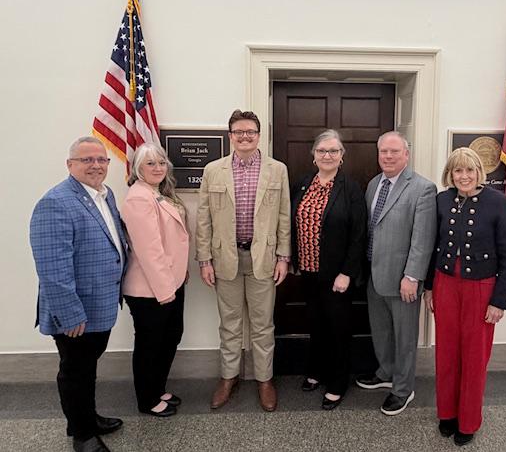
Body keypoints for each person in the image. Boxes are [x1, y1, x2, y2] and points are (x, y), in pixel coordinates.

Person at [29, 136, 126, 452]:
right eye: (87, 160)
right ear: (70, 164)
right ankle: (83, 435)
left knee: (87, 368)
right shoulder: (55, 203)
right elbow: (52, 269)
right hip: (76, 312)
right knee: (75, 372)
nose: (96, 165)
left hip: (100, 303)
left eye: (101, 159)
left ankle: (88, 418)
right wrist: (69, 314)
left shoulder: (104, 195)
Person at [196, 109, 291, 412]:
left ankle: (264, 380)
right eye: (239, 132)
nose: (245, 136)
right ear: (231, 136)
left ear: (259, 135)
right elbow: (204, 219)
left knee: (263, 325)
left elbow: (284, 216)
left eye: (250, 131)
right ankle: (229, 377)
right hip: (226, 259)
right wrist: (204, 260)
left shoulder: (277, 170)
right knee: (230, 324)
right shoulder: (214, 170)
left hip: (264, 259)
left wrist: (284, 257)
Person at [425, 147, 506, 446]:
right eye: (457, 170)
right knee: (446, 353)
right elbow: (433, 247)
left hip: (481, 288)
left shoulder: (498, 202)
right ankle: (447, 414)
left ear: (479, 172)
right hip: (445, 284)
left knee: (474, 358)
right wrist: (429, 287)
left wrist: (499, 301)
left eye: (469, 170)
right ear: (450, 174)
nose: (463, 176)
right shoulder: (442, 200)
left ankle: (468, 420)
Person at [356, 131, 437, 416]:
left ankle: (403, 389)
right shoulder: (373, 184)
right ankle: (386, 372)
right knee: (381, 331)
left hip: (403, 280)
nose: (388, 156)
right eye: (383, 152)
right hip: (373, 274)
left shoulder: (423, 189)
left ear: (406, 154)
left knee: (404, 337)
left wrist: (412, 277)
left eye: (394, 151)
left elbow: (423, 239)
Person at [291, 129, 367, 410]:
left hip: (337, 276)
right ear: (314, 155)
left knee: (338, 328)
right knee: (315, 324)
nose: (327, 155)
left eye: (333, 151)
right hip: (307, 271)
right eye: (322, 150)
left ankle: (337, 382)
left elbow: (359, 234)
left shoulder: (351, 188)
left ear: (341, 156)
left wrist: (347, 272)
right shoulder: (303, 184)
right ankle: (316, 371)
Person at [121, 143, 189, 418]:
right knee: (150, 344)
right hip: (150, 289)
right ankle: (147, 399)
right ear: (138, 168)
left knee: (170, 337)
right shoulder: (139, 198)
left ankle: (157, 388)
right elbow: (149, 250)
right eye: (150, 163)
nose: (158, 168)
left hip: (171, 281)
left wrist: (179, 275)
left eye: (161, 163)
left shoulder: (157, 193)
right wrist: (165, 290)